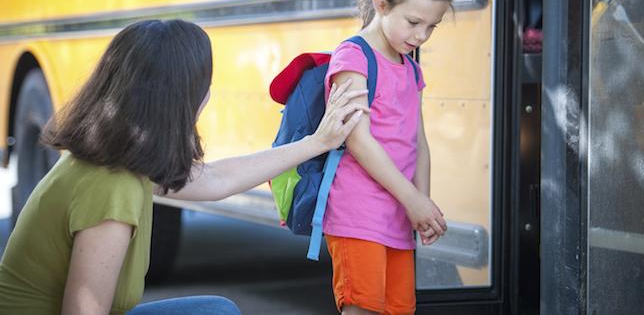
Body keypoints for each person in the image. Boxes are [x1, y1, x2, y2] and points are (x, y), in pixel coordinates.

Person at [0, 19, 369, 315]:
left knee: (215, 310)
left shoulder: (119, 159)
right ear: (182, 99)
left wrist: (316, 143)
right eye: (204, 84)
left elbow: (218, 178)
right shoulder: (112, 188)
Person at [322, 0, 455, 315]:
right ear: (381, 5)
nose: (423, 35)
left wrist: (422, 204)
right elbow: (358, 140)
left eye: (432, 26)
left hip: (399, 217)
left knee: (399, 309)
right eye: (414, 22)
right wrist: (412, 200)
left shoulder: (411, 69)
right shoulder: (353, 57)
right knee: (363, 308)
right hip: (358, 215)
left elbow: (419, 143)